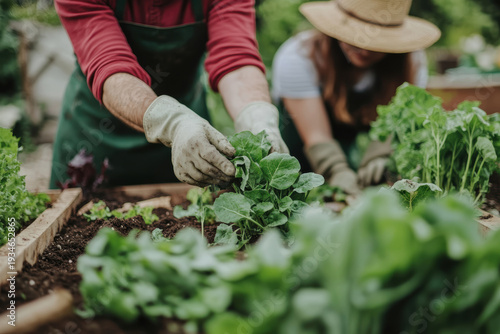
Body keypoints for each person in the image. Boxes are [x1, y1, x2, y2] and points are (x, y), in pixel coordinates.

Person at [49, 0, 288, 189]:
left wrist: (257, 116)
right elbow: (111, 68)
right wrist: (172, 123)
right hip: (97, 134)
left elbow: (235, 59)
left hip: (190, 133)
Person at [272, 0, 441, 194]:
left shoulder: (412, 63)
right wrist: (336, 170)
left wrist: (381, 154)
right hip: (294, 153)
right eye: (354, 37)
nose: (365, 49)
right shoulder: (298, 57)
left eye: (378, 41)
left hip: (345, 146)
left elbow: (398, 121)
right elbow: (316, 136)